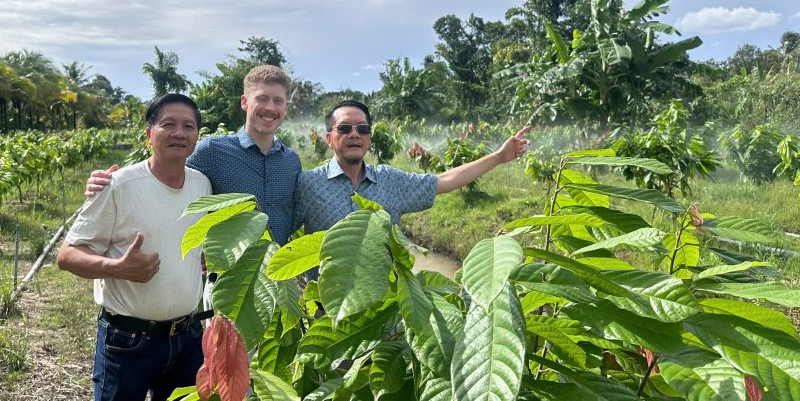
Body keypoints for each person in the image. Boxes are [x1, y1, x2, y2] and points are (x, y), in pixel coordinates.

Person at [57, 93, 212, 401]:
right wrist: (118, 268)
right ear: (149, 133)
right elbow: (67, 254)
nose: (179, 133)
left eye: (188, 126)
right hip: (128, 342)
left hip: (187, 338)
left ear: (197, 135)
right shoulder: (119, 185)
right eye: (168, 124)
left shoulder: (202, 185)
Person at [86, 65, 301, 245]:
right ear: (244, 102)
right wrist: (113, 182)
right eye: (262, 99)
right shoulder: (213, 151)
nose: (270, 107)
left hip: (278, 272)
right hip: (225, 272)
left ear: (286, 107)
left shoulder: (291, 162)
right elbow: (165, 174)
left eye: (277, 101)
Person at [293, 100, 531, 236]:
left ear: (369, 138)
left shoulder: (388, 180)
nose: (354, 134)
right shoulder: (308, 184)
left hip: (387, 304)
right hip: (326, 305)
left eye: (362, 129)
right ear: (328, 138)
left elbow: (444, 181)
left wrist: (499, 157)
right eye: (345, 128)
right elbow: (280, 231)